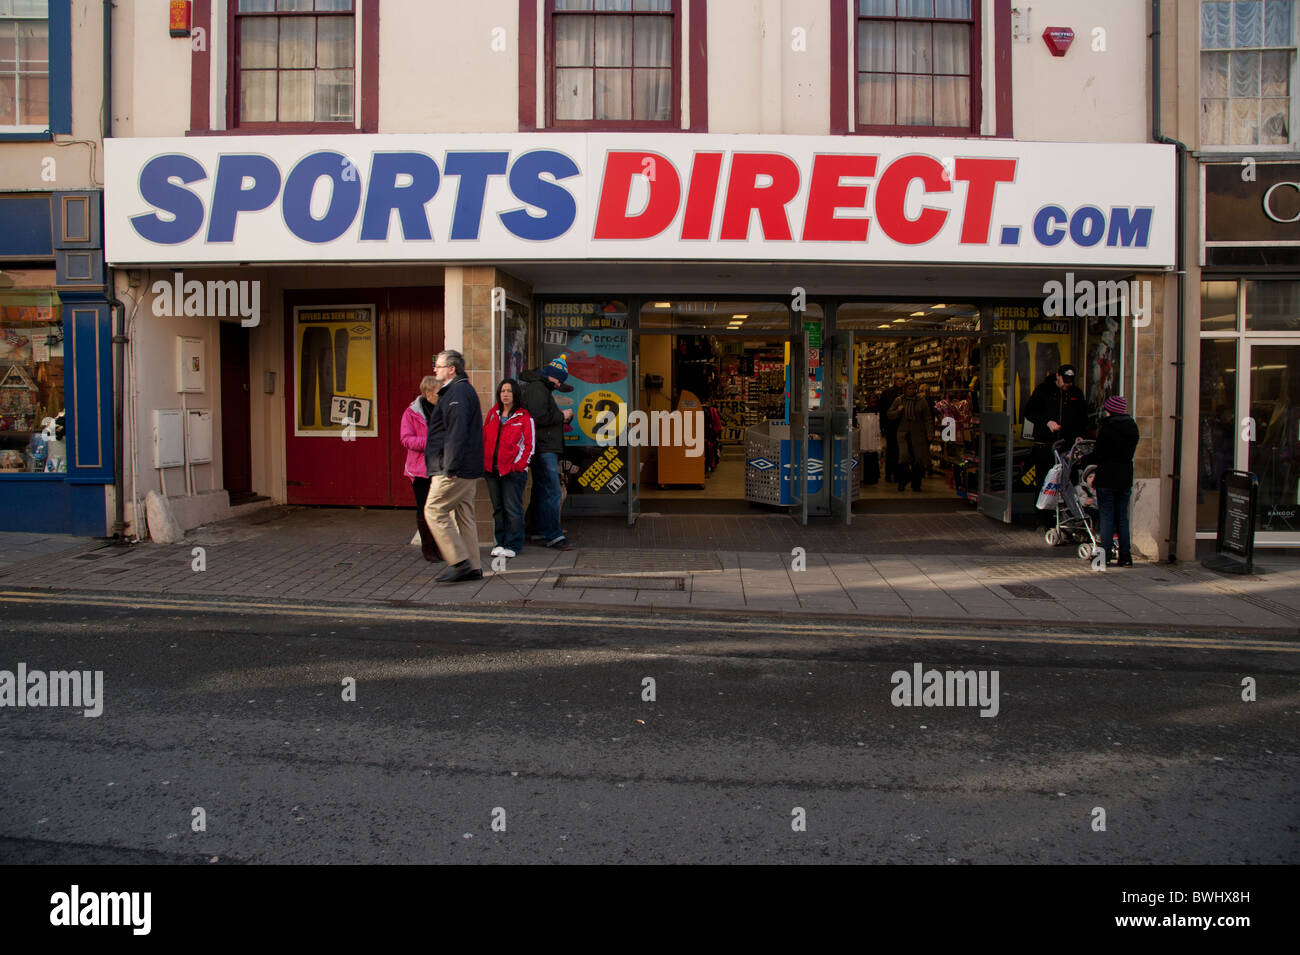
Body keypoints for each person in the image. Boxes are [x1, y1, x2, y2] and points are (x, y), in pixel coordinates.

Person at [424, 349, 484, 583]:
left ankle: (459, 561)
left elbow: (456, 433)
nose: (434, 370)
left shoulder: (457, 392)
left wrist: (450, 466)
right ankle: (474, 566)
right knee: (464, 514)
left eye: (438, 366)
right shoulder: (459, 390)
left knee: (434, 510)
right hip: (464, 467)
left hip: (454, 468)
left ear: (451, 369)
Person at [519, 354, 574, 550]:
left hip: (543, 446)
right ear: (551, 375)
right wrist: (562, 415)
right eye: (559, 380)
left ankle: (537, 530)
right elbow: (540, 416)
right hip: (544, 447)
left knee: (542, 491)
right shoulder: (538, 388)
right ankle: (554, 535)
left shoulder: (540, 387)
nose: (559, 384)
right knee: (552, 492)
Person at [1024, 363, 1087, 524]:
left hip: (1067, 446)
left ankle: (1069, 519)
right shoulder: (1043, 390)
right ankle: (1043, 519)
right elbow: (1029, 411)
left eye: (1070, 381)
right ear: (1058, 376)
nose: (1067, 384)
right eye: (1065, 380)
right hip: (1045, 444)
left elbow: (1082, 418)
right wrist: (1047, 422)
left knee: (1068, 482)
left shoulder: (1076, 393)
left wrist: (1079, 436)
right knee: (1045, 483)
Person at [1082, 395, 1140, 567]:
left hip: (1107, 476)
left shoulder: (1108, 428)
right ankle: (1125, 556)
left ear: (1109, 411)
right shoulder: (1132, 427)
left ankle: (1104, 556)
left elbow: (1099, 454)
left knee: (1106, 516)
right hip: (1124, 476)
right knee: (1122, 517)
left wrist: (1082, 460)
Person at [482, 378, 534, 559]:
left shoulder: (524, 417)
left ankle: (514, 544)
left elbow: (529, 446)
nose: (505, 394)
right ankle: (500, 542)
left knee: (513, 509)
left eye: (509, 391)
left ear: (515, 394)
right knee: (498, 508)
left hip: (512, 472)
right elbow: (484, 438)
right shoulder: (492, 414)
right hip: (491, 470)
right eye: (503, 391)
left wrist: (517, 466)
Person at [399, 375, 442, 562]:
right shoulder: (412, 413)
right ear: (427, 393)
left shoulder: (443, 410)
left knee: (439, 509)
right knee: (423, 508)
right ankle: (428, 547)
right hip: (419, 469)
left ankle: (440, 546)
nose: (441, 396)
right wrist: (430, 442)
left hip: (440, 467)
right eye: (437, 393)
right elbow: (406, 439)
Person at [888, 378, 933, 492]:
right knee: (904, 457)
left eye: (914, 388)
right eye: (909, 388)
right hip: (903, 432)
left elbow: (927, 418)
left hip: (918, 433)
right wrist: (898, 411)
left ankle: (916, 484)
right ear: (905, 389)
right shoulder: (899, 400)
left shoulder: (921, 400)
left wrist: (930, 432)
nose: (912, 391)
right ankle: (903, 480)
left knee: (918, 458)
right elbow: (890, 414)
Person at [877, 371, 906, 484]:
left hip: (904, 427)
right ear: (894, 380)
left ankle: (899, 474)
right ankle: (889, 474)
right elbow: (882, 411)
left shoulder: (907, 393)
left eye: (902, 379)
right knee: (891, 451)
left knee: (902, 451)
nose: (900, 381)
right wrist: (882, 427)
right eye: (898, 379)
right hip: (891, 426)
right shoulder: (887, 393)